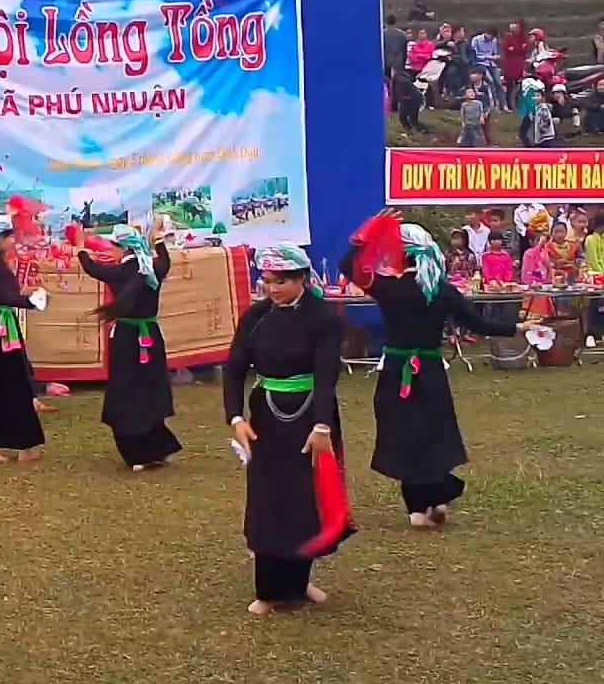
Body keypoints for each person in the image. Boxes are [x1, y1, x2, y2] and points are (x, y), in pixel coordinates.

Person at [341, 211, 533, 528]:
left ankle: (418, 509)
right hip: (429, 370)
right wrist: (517, 326)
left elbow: (348, 267)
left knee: (404, 434)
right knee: (432, 434)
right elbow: (479, 323)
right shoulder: (441, 290)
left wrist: (366, 234)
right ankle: (438, 496)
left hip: (396, 371)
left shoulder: (388, 287)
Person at [225, 242, 351, 615]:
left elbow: (327, 373)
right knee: (269, 499)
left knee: (304, 498)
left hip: (312, 418)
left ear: (301, 279)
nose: (272, 288)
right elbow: (234, 368)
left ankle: (299, 583)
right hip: (266, 418)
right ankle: (268, 590)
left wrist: (322, 426)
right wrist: (236, 418)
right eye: (267, 281)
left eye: (281, 281)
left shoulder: (323, 317)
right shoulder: (256, 316)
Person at [76, 221, 181, 471]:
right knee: (149, 386)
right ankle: (157, 446)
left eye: (111, 246)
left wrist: (81, 248)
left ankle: (138, 451)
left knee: (127, 389)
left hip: (127, 338)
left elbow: (93, 268)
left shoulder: (120, 272)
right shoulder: (153, 269)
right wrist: (157, 240)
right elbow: (164, 259)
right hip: (151, 336)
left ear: (121, 249)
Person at [0, 214, 46, 463]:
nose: (13, 241)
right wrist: (34, 301)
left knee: (3, 385)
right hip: (1, 331)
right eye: (9, 236)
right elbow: (8, 296)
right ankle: (25, 444)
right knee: (14, 384)